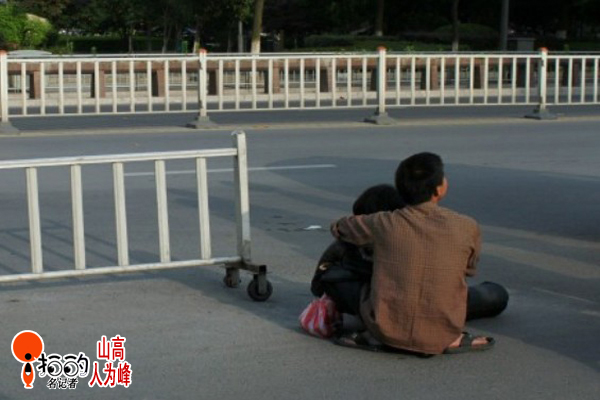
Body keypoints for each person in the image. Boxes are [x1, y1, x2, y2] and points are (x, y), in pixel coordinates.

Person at [330, 152, 495, 355]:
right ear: (439, 189)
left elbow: (339, 227)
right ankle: (452, 338)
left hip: (385, 331)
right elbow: (468, 270)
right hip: (444, 332)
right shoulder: (468, 226)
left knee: (332, 277)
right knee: (495, 294)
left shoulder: (383, 222)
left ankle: (374, 336)